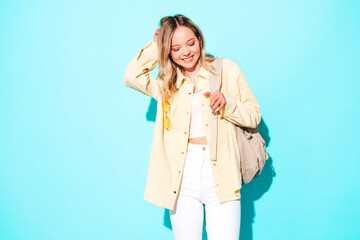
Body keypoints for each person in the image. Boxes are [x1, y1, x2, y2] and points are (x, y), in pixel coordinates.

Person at [124, 14, 261, 240]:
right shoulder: (167, 84)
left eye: (190, 43)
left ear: (199, 39)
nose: (186, 52)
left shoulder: (226, 70)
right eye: (175, 48)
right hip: (182, 176)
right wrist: (154, 47)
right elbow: (131, 76)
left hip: (222, 171)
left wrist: (228, 104)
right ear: (167, 51)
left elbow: (254, 116)